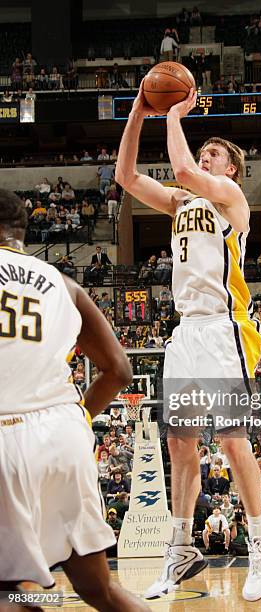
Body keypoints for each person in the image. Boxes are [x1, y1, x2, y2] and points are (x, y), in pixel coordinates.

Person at [116, 83, 261, 602]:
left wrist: (175, 112)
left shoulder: (231, 200)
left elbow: (185, 170)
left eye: (215, 154)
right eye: (202, 149)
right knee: (180, 446)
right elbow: (125, 176)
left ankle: (260, 545)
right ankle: (181, 549)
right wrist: (141, 112)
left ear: (230, 170)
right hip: (186, 331)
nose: (204, 157)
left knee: (232, 440)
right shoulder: (182, 203)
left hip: (224, 327)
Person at [0, 189, 148, 612]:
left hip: (7, 438)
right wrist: (78, 417)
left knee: (8, 591)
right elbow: (119, 371)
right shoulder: (63, 284)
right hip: (65, 436)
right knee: (98, 590)